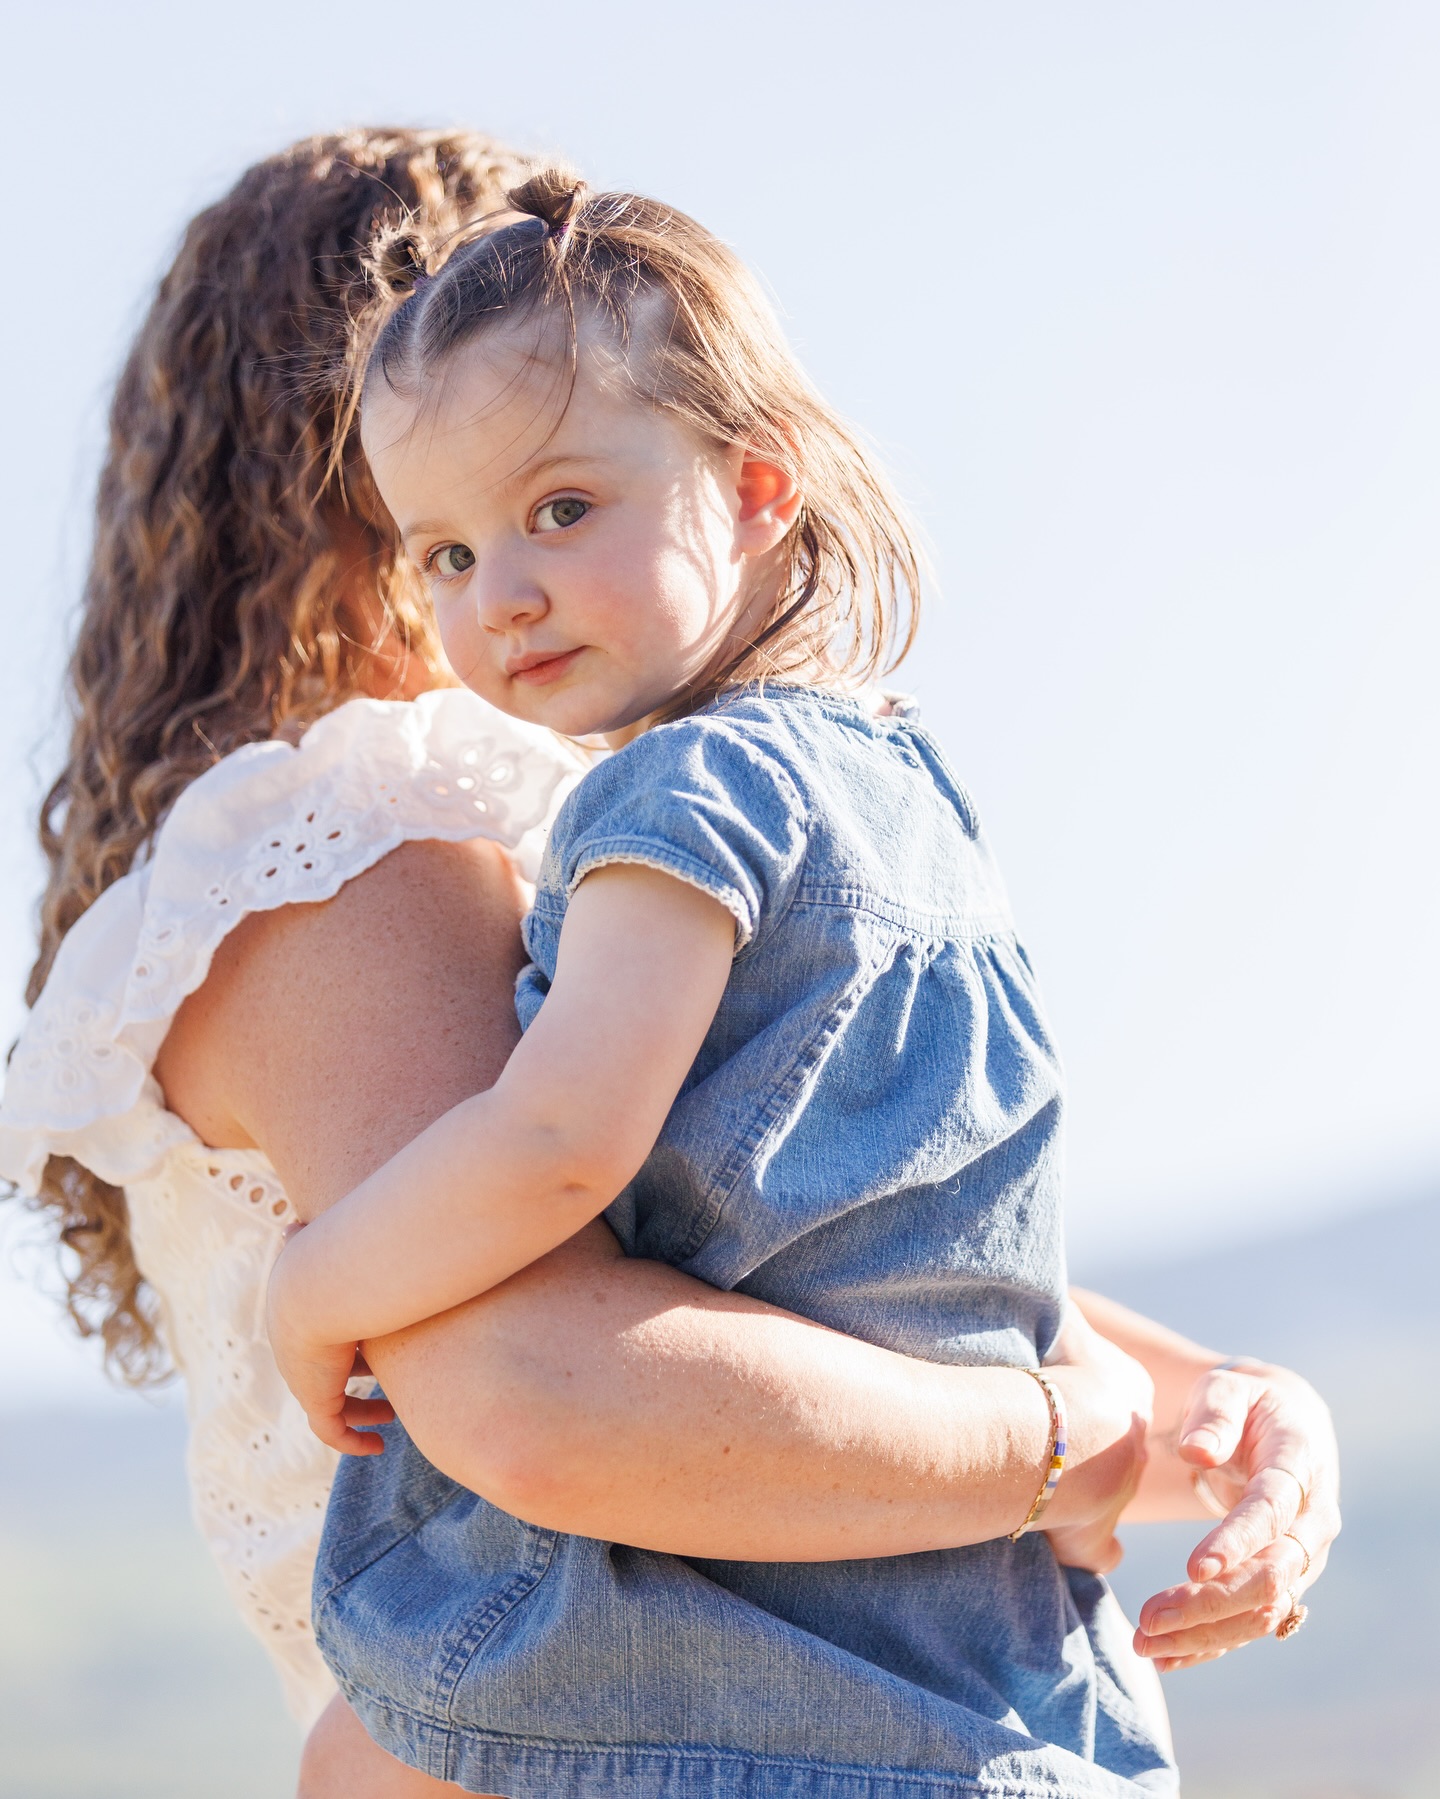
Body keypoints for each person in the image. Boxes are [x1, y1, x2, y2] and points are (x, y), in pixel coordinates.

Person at [0, 130, 1339, 1799]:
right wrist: (1081, 1442)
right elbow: (550, 1398)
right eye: (451, 543)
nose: (505, 592)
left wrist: (1233, 1411)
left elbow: (841, 1239)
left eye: (566, 494)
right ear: (345, 460)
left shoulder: (677, 800)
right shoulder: (359, 843)